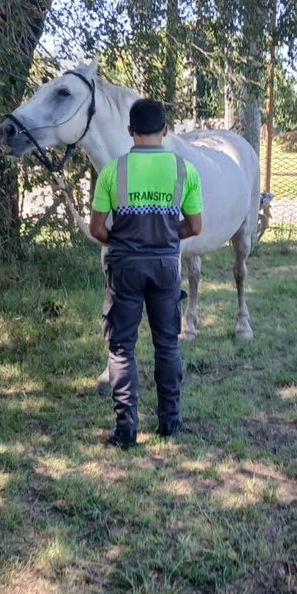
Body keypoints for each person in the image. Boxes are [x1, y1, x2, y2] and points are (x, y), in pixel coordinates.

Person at [89, 98, 203, 448]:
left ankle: (126, 430)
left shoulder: (112, 171)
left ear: (130, 133)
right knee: (167, 344)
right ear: (166, 131)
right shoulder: (185, 171)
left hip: (124, 268)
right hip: (166, 267)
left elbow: (96, 230)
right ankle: (170, 423)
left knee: (122, 348)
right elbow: (195, 227)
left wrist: (121, 241)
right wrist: (168, 239)